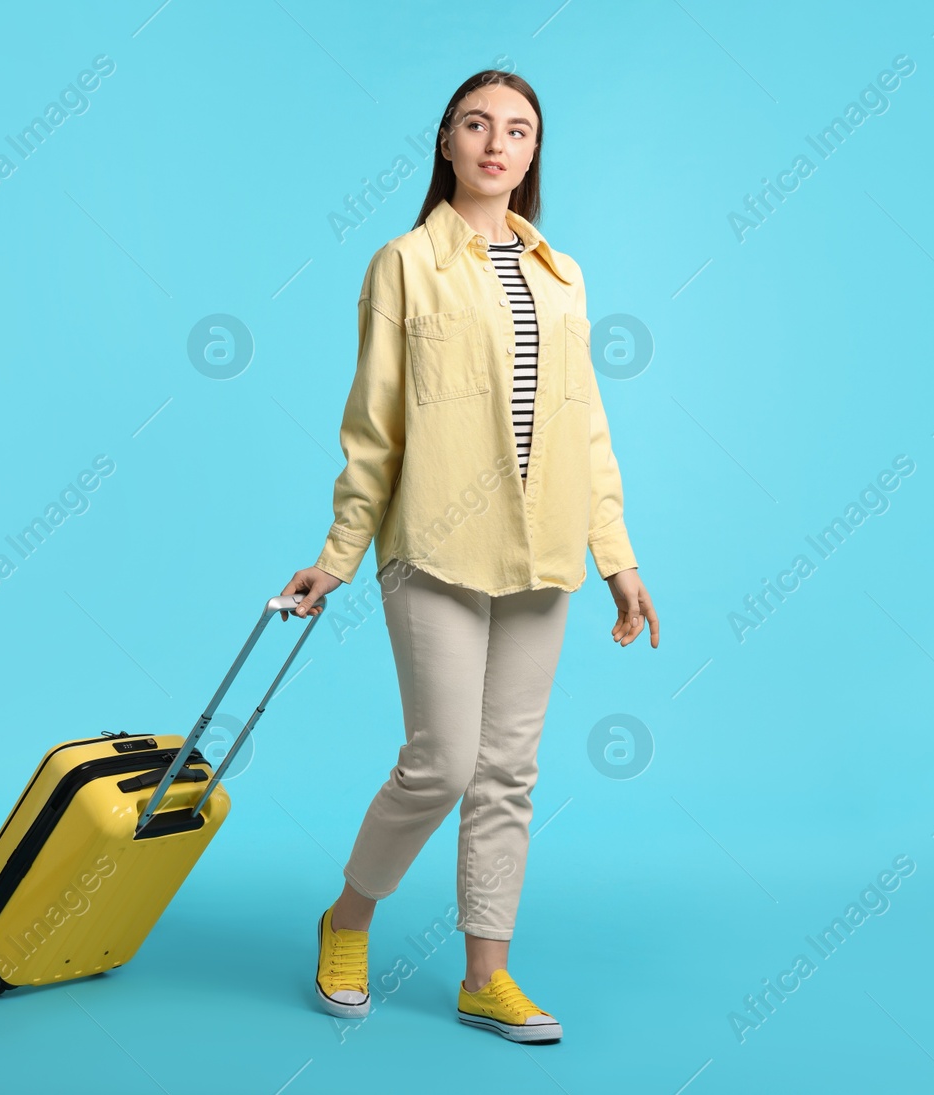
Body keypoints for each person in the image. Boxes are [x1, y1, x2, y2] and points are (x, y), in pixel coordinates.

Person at [280, 68, 659, 1045]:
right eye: (477, 124)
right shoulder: (403, 264)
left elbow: (586, 429)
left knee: (508, 773)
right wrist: (336, 554)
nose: (498, 143)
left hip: (544, 558)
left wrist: (615, 557)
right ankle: (347, 919)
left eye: (519, 130)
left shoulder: (562, 276)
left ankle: (484, 974)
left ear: (534, 154)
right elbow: (374, 426)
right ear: (445, 141)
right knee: (440, 764)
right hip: (436, 548)